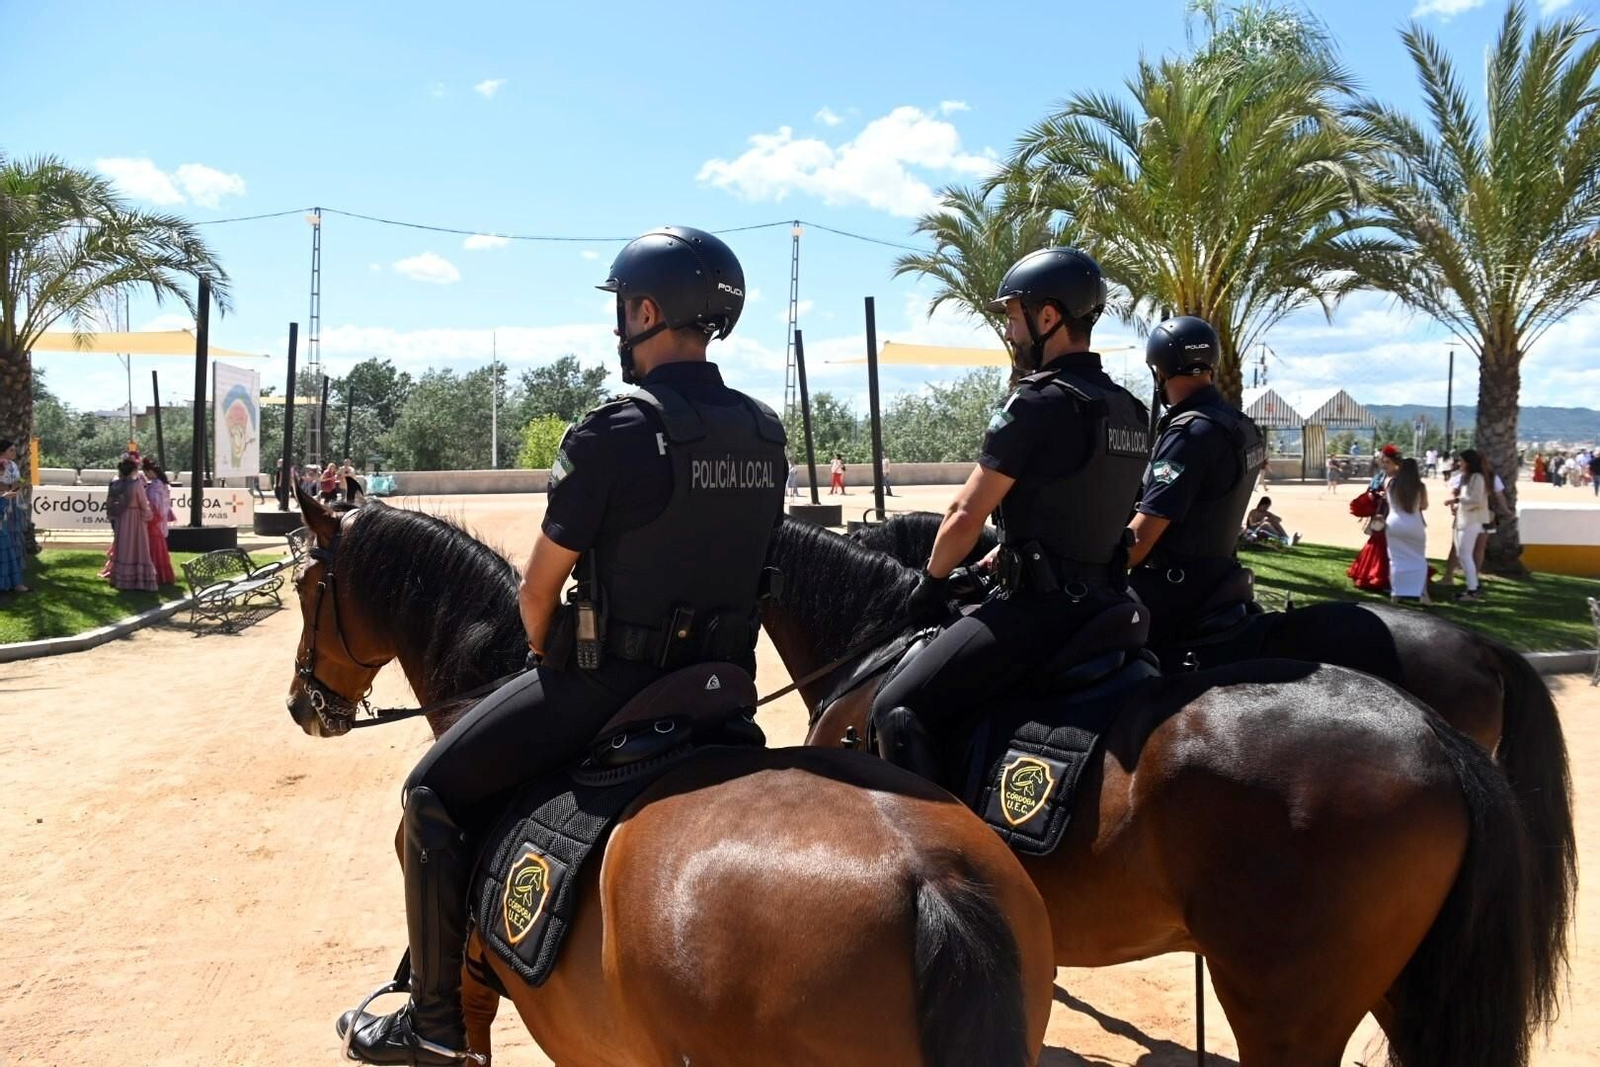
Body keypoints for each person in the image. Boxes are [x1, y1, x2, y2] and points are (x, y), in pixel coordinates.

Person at [336, 226, 785, 1066]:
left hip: (610, 684)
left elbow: (539, 591)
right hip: (723, 687)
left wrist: (543, 652)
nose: (619, 325)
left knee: (430, 792)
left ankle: (434, 1026)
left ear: (647, 310)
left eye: (623, 308)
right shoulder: (765, 433)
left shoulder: (615, 429)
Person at [868, 247, 1148, 783]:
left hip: (1040, 614)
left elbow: (965, 512)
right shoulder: (1130, 410)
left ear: (1049, 317)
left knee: (896, 708)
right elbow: (1081, 509)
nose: (1009, 330)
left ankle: (940, 854)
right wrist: (1004, 557)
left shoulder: (1037, 401)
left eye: (1013, 316)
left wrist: (932, 580)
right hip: (1111, 604)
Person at [1125, 317, 1266, 647]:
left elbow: (1140, 543)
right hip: (1222, 578)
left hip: (1173, 591)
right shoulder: (1242, 426)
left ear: (1159, 370)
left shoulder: (1188, 434)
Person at [1347, 444, 1400, 593]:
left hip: (1393, 515)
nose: (1384, 465)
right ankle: (1372, 574)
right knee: (1378, 542)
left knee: (1389, 545)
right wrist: (1374, 495)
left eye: (1387, 462)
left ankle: (1386, 577)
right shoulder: (1381, 476)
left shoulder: (1400, 478)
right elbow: (1372, 490)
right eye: (1383, 461)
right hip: (1381, 513)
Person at [1448, 449, 1491, 603]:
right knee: (1462, 555)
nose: (1460, 463)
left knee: (1465, 555)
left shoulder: (1477, 478)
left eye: (1462, 461)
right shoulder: (1469, 478)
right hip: (1464, 520)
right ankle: (1471, 587)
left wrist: (1459, 501)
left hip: (1471, 521)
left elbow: (1476, 500)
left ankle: (1472, 590)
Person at [1385, 457, 1430, 604]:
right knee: (1419, 559)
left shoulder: (1391, 483)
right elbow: (1424, 505)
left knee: (1396, 559)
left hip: (1394, 523)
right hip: (1414, 524)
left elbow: (1388, 502)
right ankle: (1422, 594)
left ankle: (1396, 593)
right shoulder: (1420, 486)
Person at [107, 458, 156, 592]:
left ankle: (120, 579)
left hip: (121, 518)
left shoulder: (115, 483)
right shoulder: (136, 484)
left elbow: (110, 502)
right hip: (135, 519)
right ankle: (137, 580)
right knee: (137, 547)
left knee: (123, 546)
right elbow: (143, 502)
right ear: (134, 470)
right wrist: (148, 515)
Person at [140, 457, 176, 585]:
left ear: (150, 471)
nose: (145, 475)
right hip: (160, 520)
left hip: (154, 521)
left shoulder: (155, 486)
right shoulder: (162, 484)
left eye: (145, 472)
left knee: (154, 547)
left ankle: (154, 573)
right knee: (160, 548)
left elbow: (155, 504)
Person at [0, 438, 28, 594]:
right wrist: (11, 487)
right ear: (3, 451)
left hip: (12, 503)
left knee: (12, 539)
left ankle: (14, 574)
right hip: (3, 504)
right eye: (11, 449)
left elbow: (19, 480)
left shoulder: (12, 465)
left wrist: (20, 483)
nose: (14, 452)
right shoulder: (1, 465)